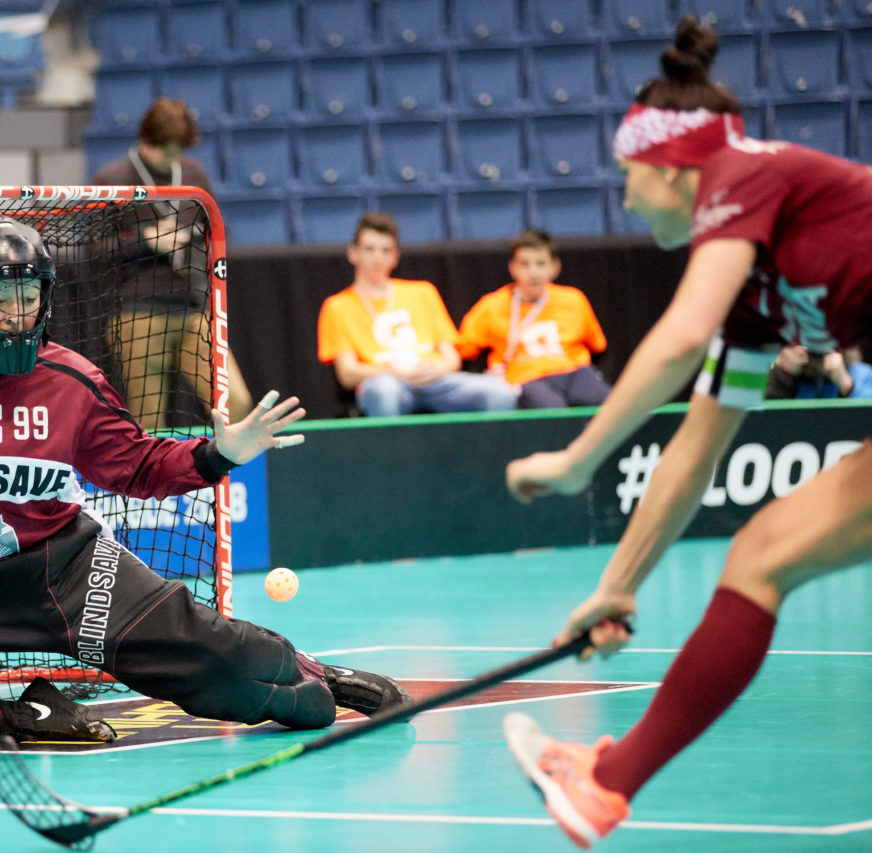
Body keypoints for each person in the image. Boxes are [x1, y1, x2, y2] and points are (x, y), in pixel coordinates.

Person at [0, 214, 412, 749]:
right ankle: (26, 715)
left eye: (30, 294)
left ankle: (323, 676)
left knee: (249, 679)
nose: (18, 313)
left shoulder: (75, 380)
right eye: (0, 297)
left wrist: (219, 454)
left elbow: (138, 467)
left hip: (67, 574)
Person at [499, 17, 872, 849]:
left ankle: (607, 783)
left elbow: (676, 339)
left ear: (671, 168)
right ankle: (605, 783)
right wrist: (619, 584)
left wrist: (577, 459)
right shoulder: (754, 297)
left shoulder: (744, 170)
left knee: (762, 554)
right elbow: (695, 447)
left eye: (628, 175)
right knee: (760, 554)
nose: (626, 197)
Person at [91, 97, 254, 431]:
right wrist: (147, 240)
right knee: (149, 420)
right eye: (164, 150)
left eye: (177, 150)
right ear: (145, 139)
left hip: (193, 308)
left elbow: (215, 232)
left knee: (236, 403)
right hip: (138, 313)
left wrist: (189, 239)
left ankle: (219, 463)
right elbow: (94, 249)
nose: (171, 158)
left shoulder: (193, 174)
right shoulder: (113, 178)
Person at [317, 211, 517, 417]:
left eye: (385, 250)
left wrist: (437, 369)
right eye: (369, 249)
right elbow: (347, 373)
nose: (377, 257)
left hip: (435, 381)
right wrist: (397, 372)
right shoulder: (337, 306)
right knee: (385, 391)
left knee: (500, 393)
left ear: (395, 257)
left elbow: (452, 359)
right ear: (353, 253)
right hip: (385, 382)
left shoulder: (423, 292)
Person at [456, 229, 612, 409]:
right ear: (512, 267)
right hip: (527, 377)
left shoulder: (573, 299)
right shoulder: (491, 306)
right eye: (525, 264)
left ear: (555, 267)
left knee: (613, 405)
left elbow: (598, 346)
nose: (534, 272)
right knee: (551, 411)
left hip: (575, 372)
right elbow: (464, 351)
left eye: (541, 263)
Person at [765, 344, 872, 400]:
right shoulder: (787, 372)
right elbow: (767, 422)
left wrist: (845, 384)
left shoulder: (863, 374)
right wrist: (785, 375)